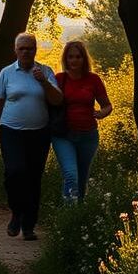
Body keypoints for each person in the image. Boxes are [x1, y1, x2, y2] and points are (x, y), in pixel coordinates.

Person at [0, 33, 63, 241]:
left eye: (30, 48)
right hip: (11, 131)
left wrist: (44, 83)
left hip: (39, 133)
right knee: (14, 172)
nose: (26, 52)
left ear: (35, 50)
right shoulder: (7, 73)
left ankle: (29, 225)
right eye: (22, 48)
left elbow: (58, 100)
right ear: (15, 50)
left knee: (33, 177)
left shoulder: (45, 71)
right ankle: (16, 212)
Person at [51, 40, 113, 203]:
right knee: (71, 175)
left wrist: (101, 113)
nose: (74, 60)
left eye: (78, 57)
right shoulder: (59, 79)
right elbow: (48, 103)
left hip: (88, 136)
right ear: (65, 59)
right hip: (64, 135)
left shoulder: (93, 80)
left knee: (82, 177)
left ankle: (78, 214)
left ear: (84, 59)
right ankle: (68, 214)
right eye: (70, 57)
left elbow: (107, 105)